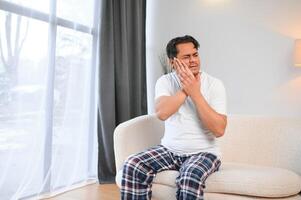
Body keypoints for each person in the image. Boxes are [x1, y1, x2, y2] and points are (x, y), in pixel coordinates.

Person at [121, 35, 227, 200]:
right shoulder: (165, 82)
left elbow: (219, 130)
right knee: (133, 165)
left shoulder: (214, 84)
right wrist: (186, 89)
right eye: (186, 57)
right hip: (169, 150)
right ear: (173, 62)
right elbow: (162, 113)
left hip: (204, 153)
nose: (193, 60)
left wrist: (196, 93)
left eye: (195, 54)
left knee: (189, 177)